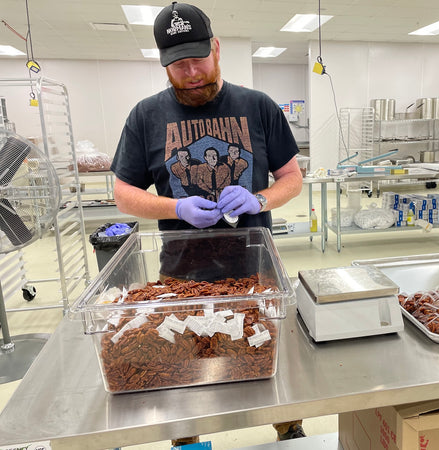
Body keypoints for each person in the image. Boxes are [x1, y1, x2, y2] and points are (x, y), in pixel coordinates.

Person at [110, 1, 305, 445]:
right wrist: (176, 209)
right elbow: (123, 194)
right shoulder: (145, 116)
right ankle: (191, 440)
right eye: (178, 64)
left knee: (269, 366)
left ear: (217, 49)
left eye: (198, 58)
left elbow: (292, 179)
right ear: (164, 64)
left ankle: (290, 433)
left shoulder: (258, 106)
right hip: (181, 275)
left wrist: (258, 197)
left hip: (256, 273)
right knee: (185, 370)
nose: (192, 72)